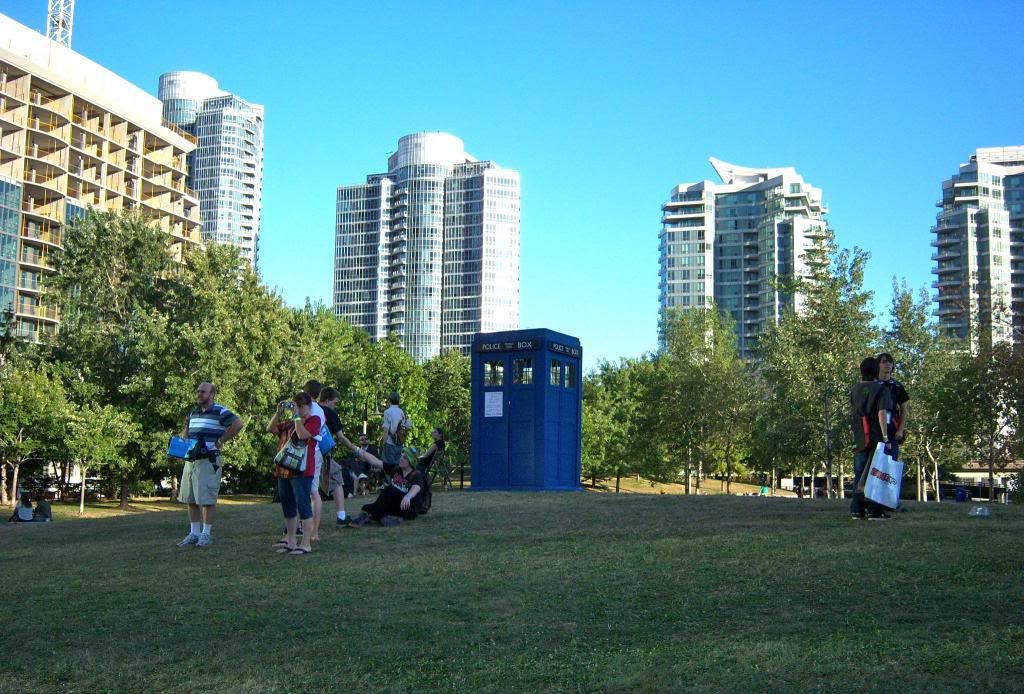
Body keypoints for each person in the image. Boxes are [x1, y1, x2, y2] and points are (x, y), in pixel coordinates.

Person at [177, 382, 243, 547]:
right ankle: (194, 533)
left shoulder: (220, 411)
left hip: (208, 461)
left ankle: (206, 534)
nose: (199, 394)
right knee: (190, 499)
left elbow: (238, 424)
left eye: (203, 392)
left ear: (212, 394)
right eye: (198, 391)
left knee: (206, 500)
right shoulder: (193, 412)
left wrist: (221, 440)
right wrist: (181, 444)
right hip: (191, 461)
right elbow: (186, 431)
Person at [267, 392, 321, 555]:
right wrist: (278, 413)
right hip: (284, 470)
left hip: (302, 471)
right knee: (288, 505)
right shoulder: (290, 422)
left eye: (301, 406)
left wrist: (297, 418)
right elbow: (270, 428)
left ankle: (305, 543)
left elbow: (303, 435)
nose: (298, 409)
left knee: (303, 505)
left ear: (308, 406)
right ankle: (290, 540)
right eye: (296, 406)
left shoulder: (314, 420)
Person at [336, 433, 426, 527]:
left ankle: (369, 517)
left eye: (404, 458)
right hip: (397, 504)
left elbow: (416, 487)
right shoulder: (396, 469)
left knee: (388, 491)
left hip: (409, 507)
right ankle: (389, 517)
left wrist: (408, 496)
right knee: (367, 507)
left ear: (411, 461)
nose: (401, 459)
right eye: (401, 456)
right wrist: (358, 450)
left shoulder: (416, 474)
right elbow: (375, 461)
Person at [849, 357, 893, 520]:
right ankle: (874, 509)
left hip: (860, 435)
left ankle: (856, 509)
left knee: (859, 471)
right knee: (876, 472)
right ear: (876, 371)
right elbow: (882, 413)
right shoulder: (882, 389)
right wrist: (886, 436)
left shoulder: (855, 389)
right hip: (876, 435)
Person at [318, 387, 348, 526]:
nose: (335, 406)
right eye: (335, 403)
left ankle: (298, 524)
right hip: (322, 454)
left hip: (306, 454)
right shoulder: (329, 413)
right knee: (336, 477)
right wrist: (354, 448)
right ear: (328, 400)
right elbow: (340, 437)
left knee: (307, 488)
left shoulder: (311, 409)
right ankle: (341, 517)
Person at [303, 380, 327, 541]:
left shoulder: (306, 408)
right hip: (316, 451)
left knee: (306, 491)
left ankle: (308, 529)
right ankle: (314, 531)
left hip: (305, 452)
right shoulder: (320, 410)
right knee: (313, 492)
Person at [877, 352, 910, 461]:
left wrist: (900, 429)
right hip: (875, 431)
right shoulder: (873, 384)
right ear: (878, 365)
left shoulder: (897, 386)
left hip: (892, 431)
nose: (888, 364)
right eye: (884, 361)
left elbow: (904, 409)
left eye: (890, 362)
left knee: (891, 463)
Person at [381, 391, 409, 470]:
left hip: (390, 442)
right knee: (398, 467)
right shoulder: (401, 412)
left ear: (389, 400)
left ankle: (389, 482)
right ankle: (397, 482)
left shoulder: (387, 412)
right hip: (400, 443)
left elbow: (386, 430)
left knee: (388, 467)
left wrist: (384, 442)